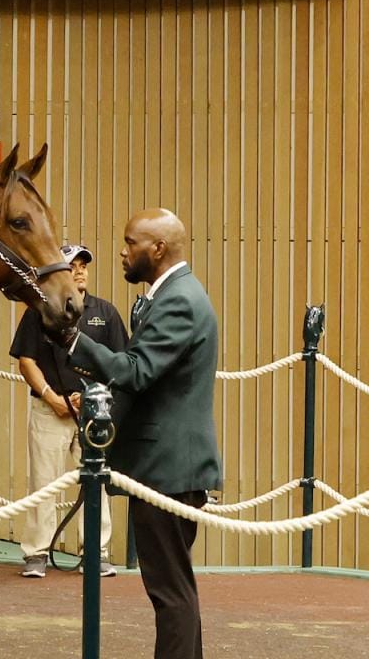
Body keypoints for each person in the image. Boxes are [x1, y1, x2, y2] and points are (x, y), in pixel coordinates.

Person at [67, 209, 220, 659]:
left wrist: (74, 343)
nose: (122, 250)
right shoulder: (166, 295)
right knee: (174, 589)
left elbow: (138, 371)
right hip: (167, 465)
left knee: (170, 593)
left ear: (157, 249)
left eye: (130, 242)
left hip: (169, 467)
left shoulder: (179, 300)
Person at [8, 241, 128, 578]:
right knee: (43, 483)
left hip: (92, 412)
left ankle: (96, 552)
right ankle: (36, 554)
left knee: (95, 482)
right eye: (72, 265)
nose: (79, 271)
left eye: (83, 265)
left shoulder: (106, 313)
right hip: (49, 409)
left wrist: (91, 396)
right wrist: (51, 396)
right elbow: (26, 360)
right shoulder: (39, 310)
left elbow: (121, 362)